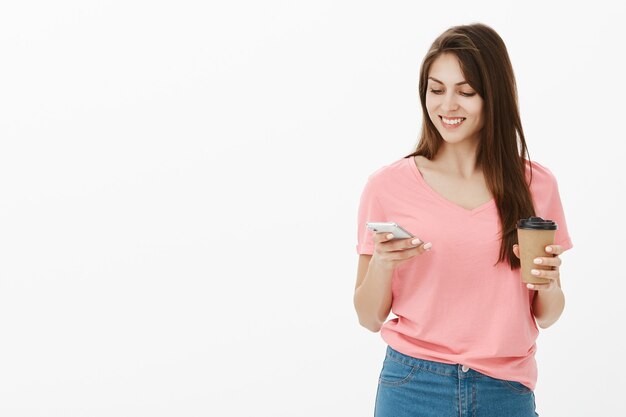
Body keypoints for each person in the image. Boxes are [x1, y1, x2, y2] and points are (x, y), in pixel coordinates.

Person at [354, 23, 573, 417]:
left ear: (494, 97)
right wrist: (385, 264)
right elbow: (368, 317)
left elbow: (547, 313)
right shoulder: (386, 187)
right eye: (436, 90)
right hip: (411, 386)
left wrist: (551, 283)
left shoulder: (537, 186)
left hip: (505, 391)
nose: (447, 105)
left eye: (466, 92)